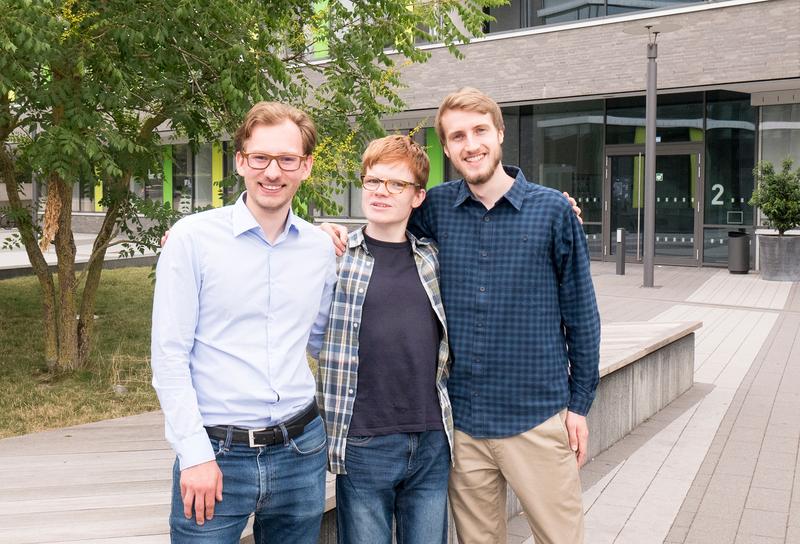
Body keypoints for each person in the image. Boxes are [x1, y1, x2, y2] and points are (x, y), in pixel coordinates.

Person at [324, 87, 600, 544]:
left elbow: (582, 315)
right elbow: (383, 216)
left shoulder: (552, 210)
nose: (471, 144)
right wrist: (324, 231)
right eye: (457, 137)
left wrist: (579, 406)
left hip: (535, 418)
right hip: (463, 429)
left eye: (479, 131)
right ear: (447, 149)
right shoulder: (433, 208)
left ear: (500, 133)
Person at [151, 101, 337, 543]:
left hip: (301, 450)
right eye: (261, 158)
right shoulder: (192, 240)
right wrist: (194, 455)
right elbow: (169, 356)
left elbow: (322, 341)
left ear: (306, 166)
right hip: (216, 454)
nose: (273, 172)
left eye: (287, 159)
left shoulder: (319, 249)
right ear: (240, 161)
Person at [317, 135, 453, 544]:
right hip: (363, 439)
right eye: (373, 181)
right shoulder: (334, 255)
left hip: (431, 438)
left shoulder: (433, 257)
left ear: (417, 196)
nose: (381, 192)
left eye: (396, 184)